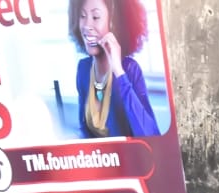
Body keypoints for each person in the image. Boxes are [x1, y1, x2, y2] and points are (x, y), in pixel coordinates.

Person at [69, 0, 160, 138]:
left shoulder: (130, 69)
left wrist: (119, 72)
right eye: (82, 16)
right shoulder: (83, 69)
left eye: (96, 17)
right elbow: (84, 130)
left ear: (113, 23)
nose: (87, 25)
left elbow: (150, 135)